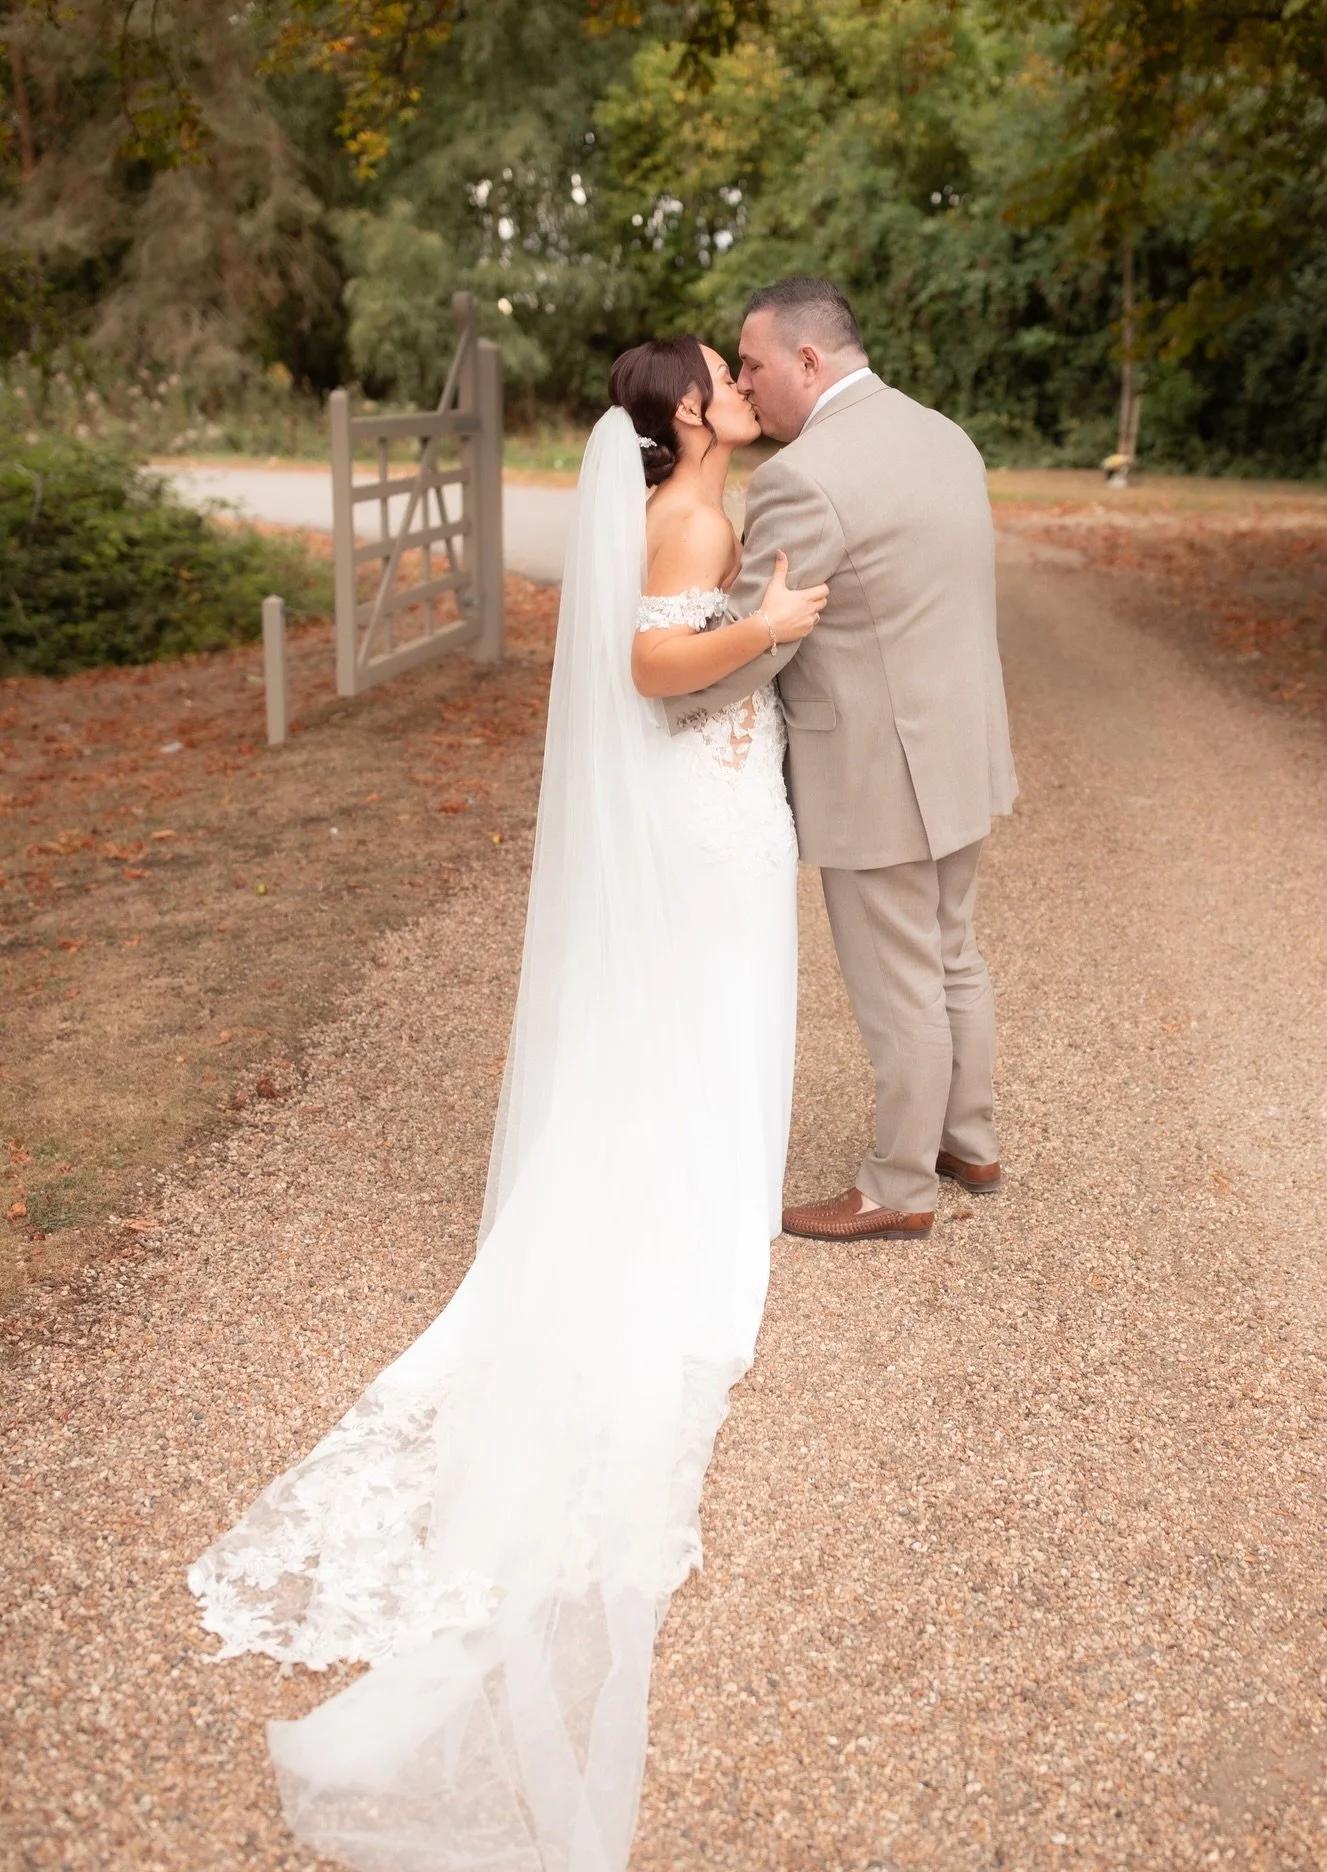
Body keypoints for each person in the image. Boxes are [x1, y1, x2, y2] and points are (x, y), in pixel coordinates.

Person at [188, 336, 825, 1872]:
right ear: (690, 417)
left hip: (718, 795)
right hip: (708, 803)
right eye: (723, 381)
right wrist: (770, 623)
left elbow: (680, 634)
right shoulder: (688, 514)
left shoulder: (700, 511)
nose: (743, 389)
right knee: (699, 1001)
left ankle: (697, 1175)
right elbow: (648, 664)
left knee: (697, 1009)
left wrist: (746, 612)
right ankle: (684, 1207)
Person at [666, 276, 1018, 1241]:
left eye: (752, 364)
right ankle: (968, 1139)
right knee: (952, 951)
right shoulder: (945, 435)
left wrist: (661, 692)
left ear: (809, 361)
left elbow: (761, 637)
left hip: (878, 765)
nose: (745, 382)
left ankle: (898, 1188)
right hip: (959, 743)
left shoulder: (802, 476)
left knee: (898, 975)